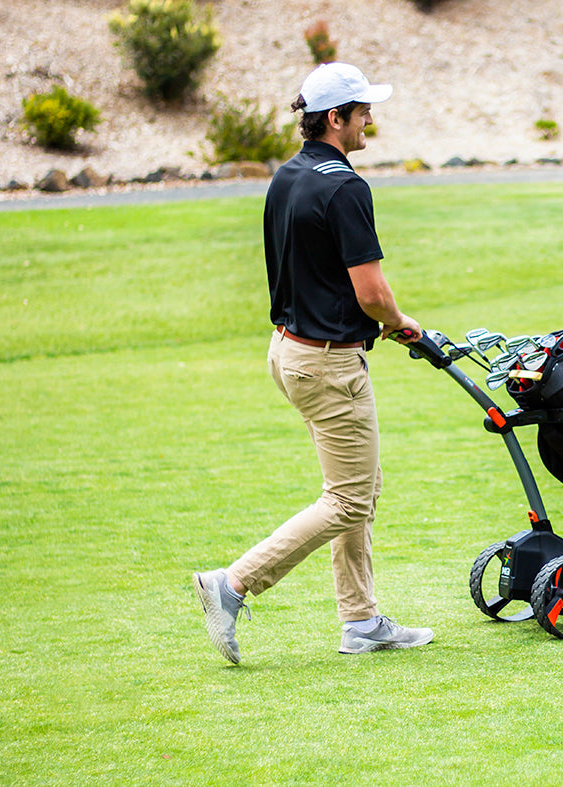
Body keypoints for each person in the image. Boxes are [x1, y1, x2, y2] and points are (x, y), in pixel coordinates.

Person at [193, 63, 433, 664]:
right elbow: (372, 292)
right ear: (335, 118)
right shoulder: (346, 187)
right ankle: (234, 583)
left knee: (358, 488)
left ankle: (361, 621)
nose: (370, 120)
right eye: (363, 111)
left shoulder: (288, 176)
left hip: (291, 350)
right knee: (350, 499)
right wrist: (400, 323)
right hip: (328, 364)